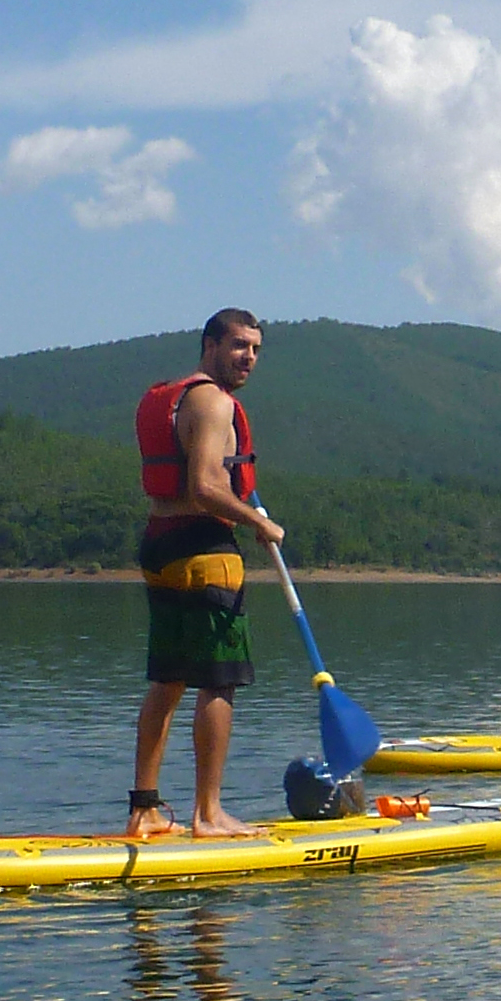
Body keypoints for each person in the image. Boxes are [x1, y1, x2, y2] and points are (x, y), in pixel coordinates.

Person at [130, 309, 285, 839]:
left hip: (160, 546)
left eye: (256, 349)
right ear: (210, 345)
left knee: (168, 678)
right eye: (239, 345)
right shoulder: (214, 402)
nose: (249, 358)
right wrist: (259, 522)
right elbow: (203, 486)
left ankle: (144, 809)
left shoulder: (171, 397)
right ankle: (208, 814)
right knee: (220, 681)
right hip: (204, 550)